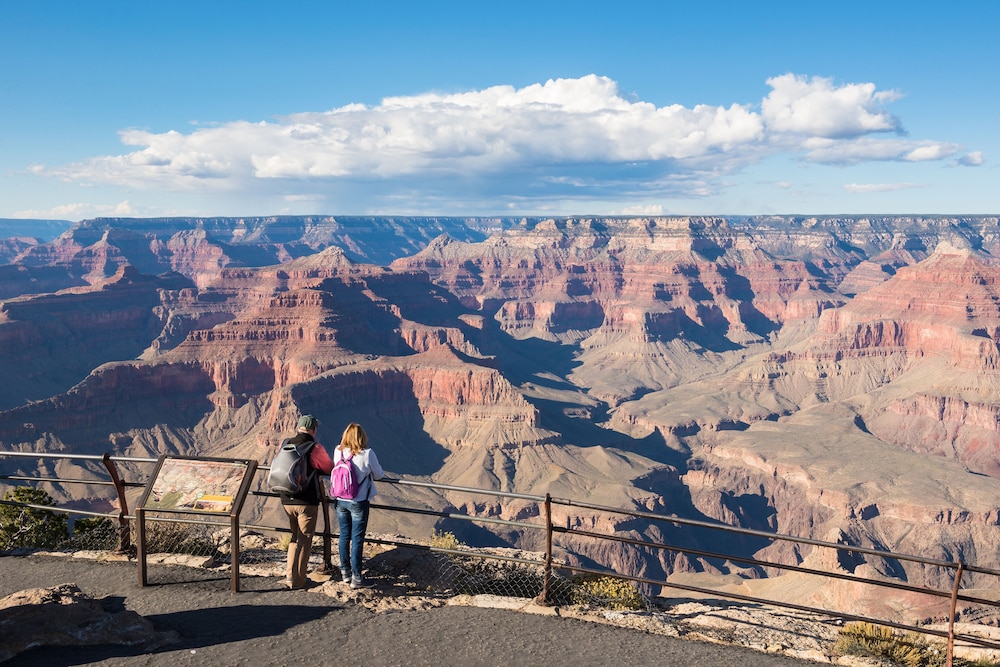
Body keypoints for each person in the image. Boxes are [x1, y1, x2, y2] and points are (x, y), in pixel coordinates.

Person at [278, 414, 333, 590]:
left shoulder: (286, 443)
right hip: (306, 501)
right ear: (313, 430)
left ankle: (289, 575)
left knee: (294, 537)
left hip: (286, 498)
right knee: (305, 539)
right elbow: (328, 467)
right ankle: (298, 580)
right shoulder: (314, 447)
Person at [333, 422, 384, 588]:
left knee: (344, 536)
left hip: (340, 500)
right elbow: (379, 474)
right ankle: (357, 578)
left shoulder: (338, 451)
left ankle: (345, 573)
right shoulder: (367, 454)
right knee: (357, 539)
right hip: (358, 502)